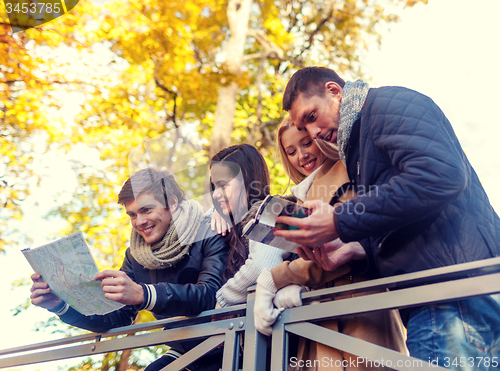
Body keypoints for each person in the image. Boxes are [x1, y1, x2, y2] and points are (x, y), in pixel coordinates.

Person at [272, 66, 500, 369]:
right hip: (444, 292)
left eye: (311, 117)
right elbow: (408, 211)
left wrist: (339, 220)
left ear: (335, 91)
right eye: (304, 126)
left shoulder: (388, 106)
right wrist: (356, 248)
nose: (313, 133)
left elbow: (439, 176)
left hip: (452, 293)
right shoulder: (360, 140)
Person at [30, 167, 229, 371]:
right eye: (132, 214)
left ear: (173, 204)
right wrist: (59, 305)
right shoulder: (136, 255)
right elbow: (117, 317)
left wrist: (143, 294)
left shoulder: (210, 230)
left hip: (225, 347)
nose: (139, 222)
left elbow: (212, 294)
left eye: (147, 210)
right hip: (183, 351)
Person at [254, 116, 407, 371]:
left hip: (359, 314)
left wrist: (277, 278)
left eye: (306, 143)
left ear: (318, 138)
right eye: (291, 151)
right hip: (318, 323)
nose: (301, 156)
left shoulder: (347, 174)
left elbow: (340, 249)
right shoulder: (297, 197)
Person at [209, 143, 292, 308]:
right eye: (214, 187)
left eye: (223, 185)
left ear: (247, 180)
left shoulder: (273, 209)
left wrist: (222, 300)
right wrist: (215, 211)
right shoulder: (232, 225)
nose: (216, 194)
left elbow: (262, 266)